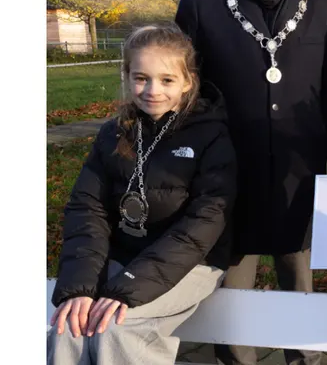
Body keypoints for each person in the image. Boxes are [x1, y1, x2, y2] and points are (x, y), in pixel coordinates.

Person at [174, 0, 327, 365]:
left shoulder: (323, 5)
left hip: (301, 179)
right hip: (226, 182)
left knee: (300, 295)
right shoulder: (200, 1)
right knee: (231, 306)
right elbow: (182, 96)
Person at [47, 25, 237, 365]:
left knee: (117, 329)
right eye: (141, 78)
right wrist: (79, 288)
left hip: (191, 263)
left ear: (188, 82)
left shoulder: (211, 135)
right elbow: (87, 210)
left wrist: (128, 289)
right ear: (127, 75)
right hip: (126, 256)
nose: (152, 91)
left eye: (167, 80)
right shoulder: (113, 133)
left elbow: (205, 223)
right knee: (69, 326)